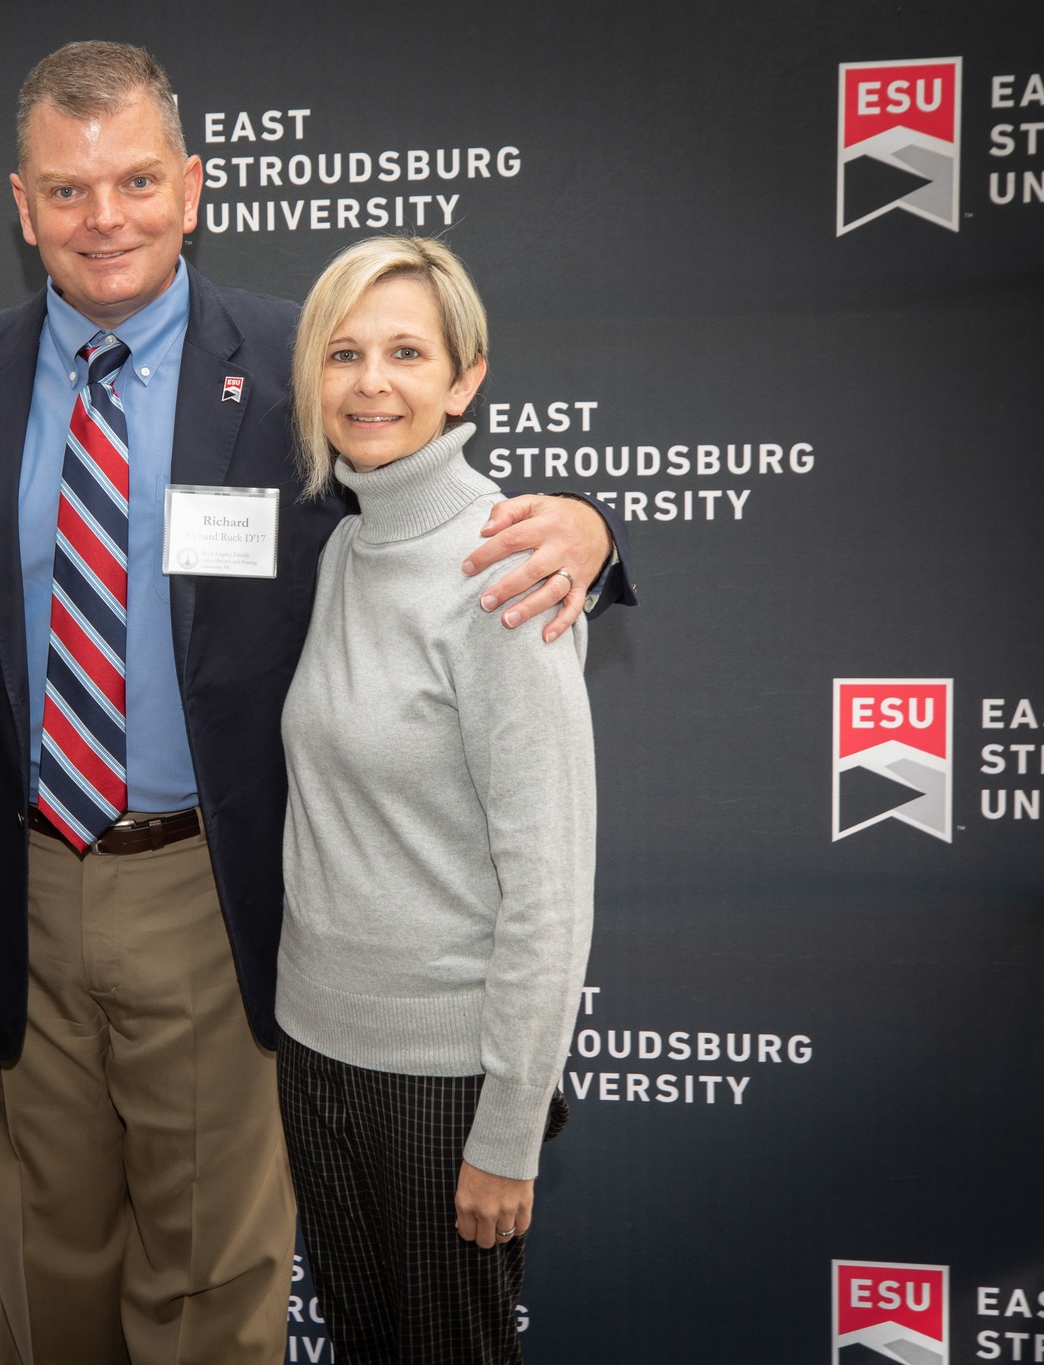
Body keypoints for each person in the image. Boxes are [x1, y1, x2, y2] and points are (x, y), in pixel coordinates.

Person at [0, 43, 633, 1365]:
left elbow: (434, 502)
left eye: (134, 181)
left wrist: (590, 526)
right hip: (24, 895)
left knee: (215, 1288)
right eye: (67, 190)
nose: (102, 216)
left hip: (213, 897)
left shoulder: (303, 359)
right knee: (45, 1283)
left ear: (193, 187)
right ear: (21, 206)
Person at [276, 235, 594, 1365]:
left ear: (463, 378)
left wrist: (508, 1132)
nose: (370, 382)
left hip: (442, 1081)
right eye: (343, 352)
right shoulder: (342, 549)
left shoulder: (504, 567)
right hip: (314, 1052)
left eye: (406, 352)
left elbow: (548, 884)